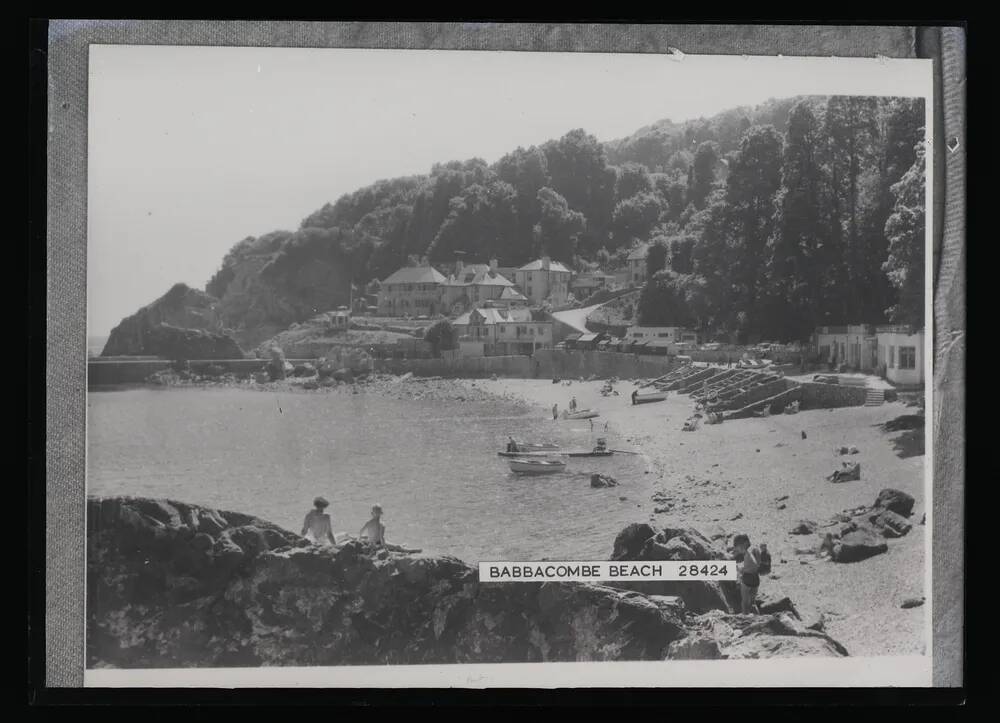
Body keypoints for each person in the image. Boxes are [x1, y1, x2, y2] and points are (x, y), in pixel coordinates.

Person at [732, 534, 762, 614]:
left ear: (743, 544)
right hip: (756, 578)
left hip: (747, 578)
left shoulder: (748, 553)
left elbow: (753, 564)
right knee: (752, 603)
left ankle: (745, 617)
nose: (739, 550)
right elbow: (758, 563)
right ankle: (758, 617)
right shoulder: (755, 549)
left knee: (745, 603)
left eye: (738, 548)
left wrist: (742, 569)